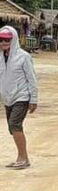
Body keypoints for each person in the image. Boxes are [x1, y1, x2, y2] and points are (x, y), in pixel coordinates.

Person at [0, 26, 37, 170]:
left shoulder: (23, 56)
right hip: (7, 97)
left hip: (21, 96)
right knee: (12, 127)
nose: (3, 43)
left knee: (15, 125)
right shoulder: (1, 57)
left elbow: (32, 78)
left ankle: (24, 158)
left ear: (13, 39)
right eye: (1, 40)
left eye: (7, 40)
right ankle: (20, 157)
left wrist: (33, 99)